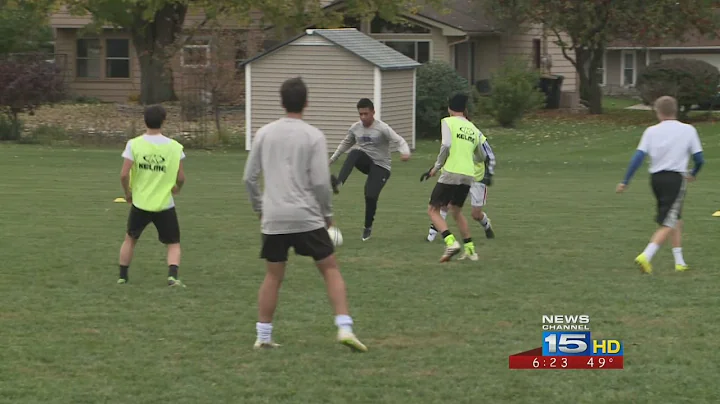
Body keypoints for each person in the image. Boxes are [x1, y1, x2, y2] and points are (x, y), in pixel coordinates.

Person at [243, 77, 367, 352]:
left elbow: (249, 179)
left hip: (274, 217)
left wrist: (260, 210)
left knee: (273, 275)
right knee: (330, 269)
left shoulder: (264, 133)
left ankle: (263, 336)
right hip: (307, 216)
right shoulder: (313, 136)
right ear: (306, 103)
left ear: (281, 101)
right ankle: (344, 327)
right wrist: (327, 216)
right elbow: (322, 183)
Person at [616, 95, 704, 274]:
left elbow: (638, 157)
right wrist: (693, 173)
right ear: (675, 110)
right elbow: (700, 159)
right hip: (675, 180)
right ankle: (646, 256)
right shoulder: (688, 130)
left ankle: (679, 262)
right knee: (668, 222)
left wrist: (625, 181)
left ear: (658, 112)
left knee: (675, 218)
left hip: (656, 180)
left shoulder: (650, 131)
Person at [118, 105, 186, 287]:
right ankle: (173, 276)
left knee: (130, 239)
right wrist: (176, 188)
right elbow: (181, 177)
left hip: (140, 203)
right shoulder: (174, 147)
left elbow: (124, 174)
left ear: (144, 121)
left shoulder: (134, 144)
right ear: (164, 121)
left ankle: (123, 276)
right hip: (164, 204)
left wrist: (128, 193)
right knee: (173, 243)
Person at [329, 98, 411, 241]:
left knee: (370, 195)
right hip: (366, 162)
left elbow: (399, 140)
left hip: (381, 167)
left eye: (366, 114)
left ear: (373, 112)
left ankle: (367, 227)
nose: (363, 117)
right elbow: (346, 143)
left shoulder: (382, 128)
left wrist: (405, 152)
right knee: (354, 153)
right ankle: (338, 183)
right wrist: (332, 159)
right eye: (360, 114)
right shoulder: (355, 128)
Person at [425, 92, 487, 262]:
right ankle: (471, 250)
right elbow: (482, 155)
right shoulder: (473, 128)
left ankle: (450, 242)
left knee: (433, 210)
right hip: (468, 174)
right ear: (464, 109)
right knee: (456, 211)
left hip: (451, 172)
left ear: (449, 108)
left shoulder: (447, 121)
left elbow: (446, 144)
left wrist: (436, 167)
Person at [426, 136, 496, 244]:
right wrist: (434, 168)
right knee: (444, 205)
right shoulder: (454, 134)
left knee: (476, 214)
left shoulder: (477, 135)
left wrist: (489, 174)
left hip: (477, 178)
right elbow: (447, 154)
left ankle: (486, 225)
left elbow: (489, 156)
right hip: (459, 176)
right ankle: (431, 236)